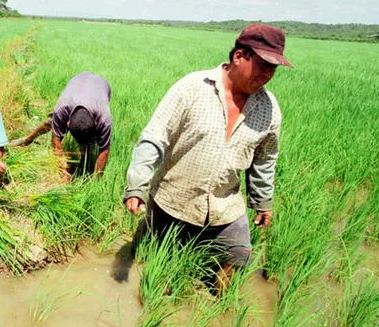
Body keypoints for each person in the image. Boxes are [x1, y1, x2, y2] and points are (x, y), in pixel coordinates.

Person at [123, 23, 293, 293]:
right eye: (263, 65)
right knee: (160, 268)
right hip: (173, 198)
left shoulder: (269, 108)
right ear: (239, 56)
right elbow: (154, 137)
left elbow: (265, 158)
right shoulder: (192, 87)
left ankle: (219, 304)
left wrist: (262, 201)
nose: (267, 75)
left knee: (239, 257)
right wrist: (137, 186)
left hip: (225, 203)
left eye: (273, 68)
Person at [11, 72, 112, 177]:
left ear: (96, 123)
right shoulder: (62, 108)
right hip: (78, 81)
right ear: (67, 122)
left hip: (101, 85)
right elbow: (56, 141)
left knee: (91, 144)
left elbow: (104, 150)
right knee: (51, 121)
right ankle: (27, 139)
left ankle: (86, 153)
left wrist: (96, 180)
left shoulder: (104, 119)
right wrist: (64, 171)